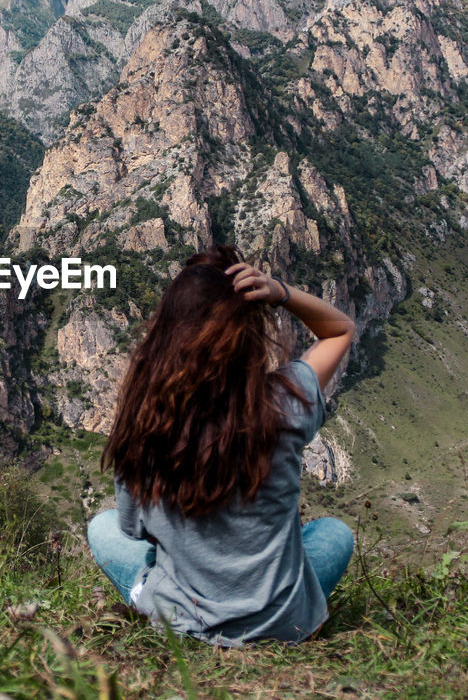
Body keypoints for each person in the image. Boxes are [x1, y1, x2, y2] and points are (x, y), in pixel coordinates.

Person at [86, 244, 357, 646]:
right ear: (246, 336)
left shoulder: (143, 427)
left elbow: (133, 529)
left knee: (102, 527)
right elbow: (340, 330)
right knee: (334, 533)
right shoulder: (283, 403)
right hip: (284, 626)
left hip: (186, 626)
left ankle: (164, 603)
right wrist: (280, 291)